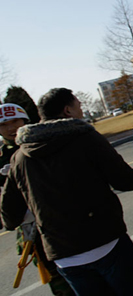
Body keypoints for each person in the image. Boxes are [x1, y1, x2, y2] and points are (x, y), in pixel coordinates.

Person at [0, 88, 133, 296]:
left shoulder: (19, 158)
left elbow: (9, 217)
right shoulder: (85, 137)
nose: (82, 109)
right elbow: (124, 179)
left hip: (64, 257)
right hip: (106, 241)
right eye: (78, 105)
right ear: (68, 110)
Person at [1, 103, 75, 295]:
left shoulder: (42, 141)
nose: (10, 128)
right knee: (60, 285)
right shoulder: (1, 159)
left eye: (15, 121)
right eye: (3, 124)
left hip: (63, 222)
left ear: (25, 120)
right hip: (32, 233)